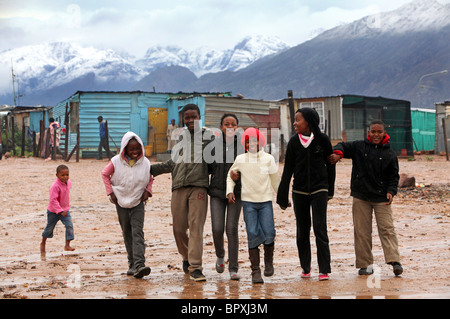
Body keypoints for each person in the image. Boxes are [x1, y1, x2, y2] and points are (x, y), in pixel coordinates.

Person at [328, 120, 403, 276]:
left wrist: (391, 191)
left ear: (384, 133)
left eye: (379, 132)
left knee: (387, 229)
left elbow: (393, 176)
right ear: (368, 132)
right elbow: (342, 146)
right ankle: (365, 264)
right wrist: (338, 154)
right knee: (362, 231)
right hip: (361, 196)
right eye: (373, 131)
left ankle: (394, 261)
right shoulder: (359, 147)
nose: (376, 135)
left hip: (382, 197)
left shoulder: (390, 153)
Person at [150, 104, 212, 282]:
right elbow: (173, 162)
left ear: (200, 117)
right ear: (183, 120)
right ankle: (186, 257)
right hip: (178, 186)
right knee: (178, 229)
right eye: (187, 117)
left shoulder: (208, 138)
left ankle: (195, 267)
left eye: (194, 117)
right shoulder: (181, 138)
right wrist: (150, 169)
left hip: (199, 186)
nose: (191, 120)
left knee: (195, 228)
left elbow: (217, 162)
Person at [277, 107, 336, 281]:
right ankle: (306, 267)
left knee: (320, 228)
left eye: (298, 120)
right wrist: (282, 196)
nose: (294, 123)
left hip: (320, 189)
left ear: (308, 121)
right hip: (299, 191)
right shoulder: (294, 142)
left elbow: (331, 166)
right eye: (294, 120)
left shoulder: (323, 140)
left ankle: (324, 269)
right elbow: (287, 170)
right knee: (302, 230)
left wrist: (330, 190)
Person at [226, 128, 280, 284]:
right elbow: (230, 177)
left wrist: (282, 199)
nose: (252, 143)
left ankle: (268, 263)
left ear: (261, 141)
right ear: (245, 143)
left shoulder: (268, 159)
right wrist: (230, 191)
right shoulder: (241, 159)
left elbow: (275, 180)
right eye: (249, 141)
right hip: (248, 202)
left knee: (269, 231)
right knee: (252, 232)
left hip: (265, 202)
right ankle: (255, 272)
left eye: (255, 140)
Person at [101, 131, 153, 279]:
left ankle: (139, 265)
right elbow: (104, 174)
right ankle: (131, 265)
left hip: (138, 201)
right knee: (127, 232)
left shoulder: (146, 163)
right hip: (120, 201)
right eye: (131, 149)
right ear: (124, 149)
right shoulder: (115, 161)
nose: (135, 151)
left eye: (137, 148)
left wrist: (148, 191)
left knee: (137, 232)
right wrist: (110, 192)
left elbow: (150, 177)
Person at [209, 113, 244, 280]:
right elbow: (206, 168)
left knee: (232, 229)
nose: (230, 127)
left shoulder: (243, 146)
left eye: (233, 124)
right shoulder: (212, 146)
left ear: (237, 127)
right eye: (226, 124)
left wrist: (240, 178)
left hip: (236, 193)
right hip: (216, 192)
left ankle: (234, 268)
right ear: (221, 127)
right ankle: (220, 255)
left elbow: (251, 168)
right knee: (217, 228)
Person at [40, 164, 75, 257]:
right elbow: (53, 200)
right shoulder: (55, 186)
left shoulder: (69, 183)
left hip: (65, 210)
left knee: (69, 226)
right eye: (62, 175)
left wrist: (65, 208)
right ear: (57, 175)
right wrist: (59, 210)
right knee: (49, 228)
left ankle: (67, 245)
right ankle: (43, 242)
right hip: (53, 211)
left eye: (67, 175)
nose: (65, 177)